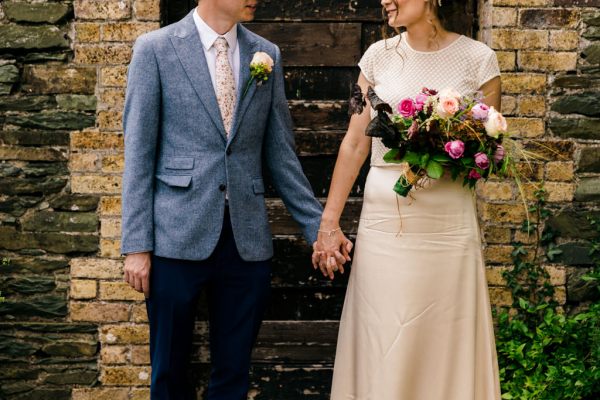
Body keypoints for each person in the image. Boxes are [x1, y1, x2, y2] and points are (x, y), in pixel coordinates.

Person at [120, 1, 350, 398]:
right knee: (169, 373)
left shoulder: (267, 53)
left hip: (246, 242)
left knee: (233, 374)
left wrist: (319, 228)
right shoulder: (154, 49)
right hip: (175, 237)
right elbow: (138, 154)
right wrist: (137, 245)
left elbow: (281, 153)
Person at [313, 0, 502, 398]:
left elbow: (485, 154)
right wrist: (328, 223)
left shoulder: (479, 60)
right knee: (384, 329)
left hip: (447, 222)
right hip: (387, 221)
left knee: (446, 328)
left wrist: (449, 144)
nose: (385, 0)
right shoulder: (377, 58)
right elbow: (353, 145)